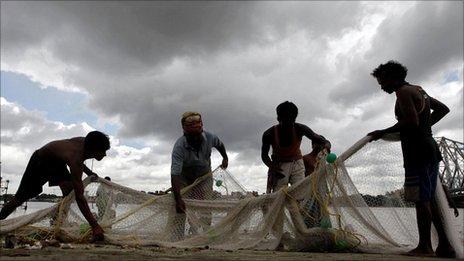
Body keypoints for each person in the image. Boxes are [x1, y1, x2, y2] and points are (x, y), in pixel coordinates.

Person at [367, 61, 454, 258]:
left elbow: (411, 121)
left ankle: (425, 247)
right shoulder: (419, 90)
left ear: (392, 77)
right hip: (429, 147)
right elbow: (443, 109)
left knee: (421, 200)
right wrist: (426, 129)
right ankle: (445, 246)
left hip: (417, 151)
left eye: (382, 82)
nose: (382, 87)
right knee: (429, 199)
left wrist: (383, 132)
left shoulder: (403, 92)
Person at [0, 131, 110, 241]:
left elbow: (80, 161)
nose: (105, 154)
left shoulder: (86, 143)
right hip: (40, 161)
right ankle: (1, 218)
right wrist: (95, 226)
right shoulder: (74, 156)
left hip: (58, 163)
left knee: (69, 191)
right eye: (103, 151)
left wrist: (89, 172)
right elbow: (80, 197)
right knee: (20, 199)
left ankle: (57, 222)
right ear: (92, 150)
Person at [169, 111, 228, 239]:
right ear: (185, 130)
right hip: (185, 177)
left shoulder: (210, 137)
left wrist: (225, 158)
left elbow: (220, 145)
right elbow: (175, 174)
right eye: (192, 127)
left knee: (206, 205)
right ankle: (177, 236)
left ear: (202, 126)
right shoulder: (179, 146)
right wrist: (178, 198)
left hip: (204, 176)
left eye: (198, 125)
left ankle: (204, 234)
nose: (196, 128)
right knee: (180, 207)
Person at [261, 101, 330, 194]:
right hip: (279, 166)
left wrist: (327, 146)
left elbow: (321, 140)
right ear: (278, 118)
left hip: (297, 163)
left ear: (295, 119)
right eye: (285, 121)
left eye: (291, 121)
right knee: (278, 194)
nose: (289, 124)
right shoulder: (269, 134)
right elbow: (264, 156)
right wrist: (272, 167)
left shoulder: (300, 128)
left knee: (300, 193)